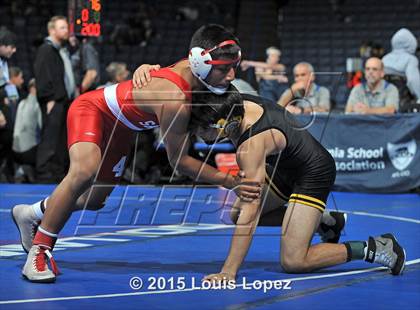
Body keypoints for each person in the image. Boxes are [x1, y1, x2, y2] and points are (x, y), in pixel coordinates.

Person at [12, 24, 261, 283]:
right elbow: (179, 161)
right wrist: (230, 181)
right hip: (93, 110)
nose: (231, 75)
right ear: (200, 62)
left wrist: (145, 68)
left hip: (125, 126)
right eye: (224, 68)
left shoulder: (196, 72)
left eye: (234, 67)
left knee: (95, 200)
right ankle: (40, 251)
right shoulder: (174, 99)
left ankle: (32, 213)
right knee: (84, 172)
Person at [187, 86, 406, 282]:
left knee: (293, 261)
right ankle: (324, 222)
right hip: (282, 168)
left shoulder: (250, 146)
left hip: (313, 172)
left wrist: (229, 270)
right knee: (236, 214)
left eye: (203, 130)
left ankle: (376, 247)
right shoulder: (235, 102)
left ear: (224, 123)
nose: (198, 134)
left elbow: (251, 214)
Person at [34, 16, 76, 182]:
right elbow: (43, 75)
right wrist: (49, 98)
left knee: (59, 139)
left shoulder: (59, 50)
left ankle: (56, 172)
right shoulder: (46, 49)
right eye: (62, 27)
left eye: (66, 27)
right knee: (50, 138)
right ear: (52, 30)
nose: (66, 30)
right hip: (53, 100)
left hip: (62, 100)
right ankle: (44, 173)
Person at [382, 28, 420, 110]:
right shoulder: (410, 59)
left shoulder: (384, 59)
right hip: (402, 103)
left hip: (384, 102)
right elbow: (413, 80)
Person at [12, 78, 42, 183]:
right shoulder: (37, 105)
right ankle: (27, 171)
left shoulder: (21, 103)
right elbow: (42, 126)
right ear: (33, 88)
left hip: (15, 150)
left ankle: (21, 170)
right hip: (29, 152)